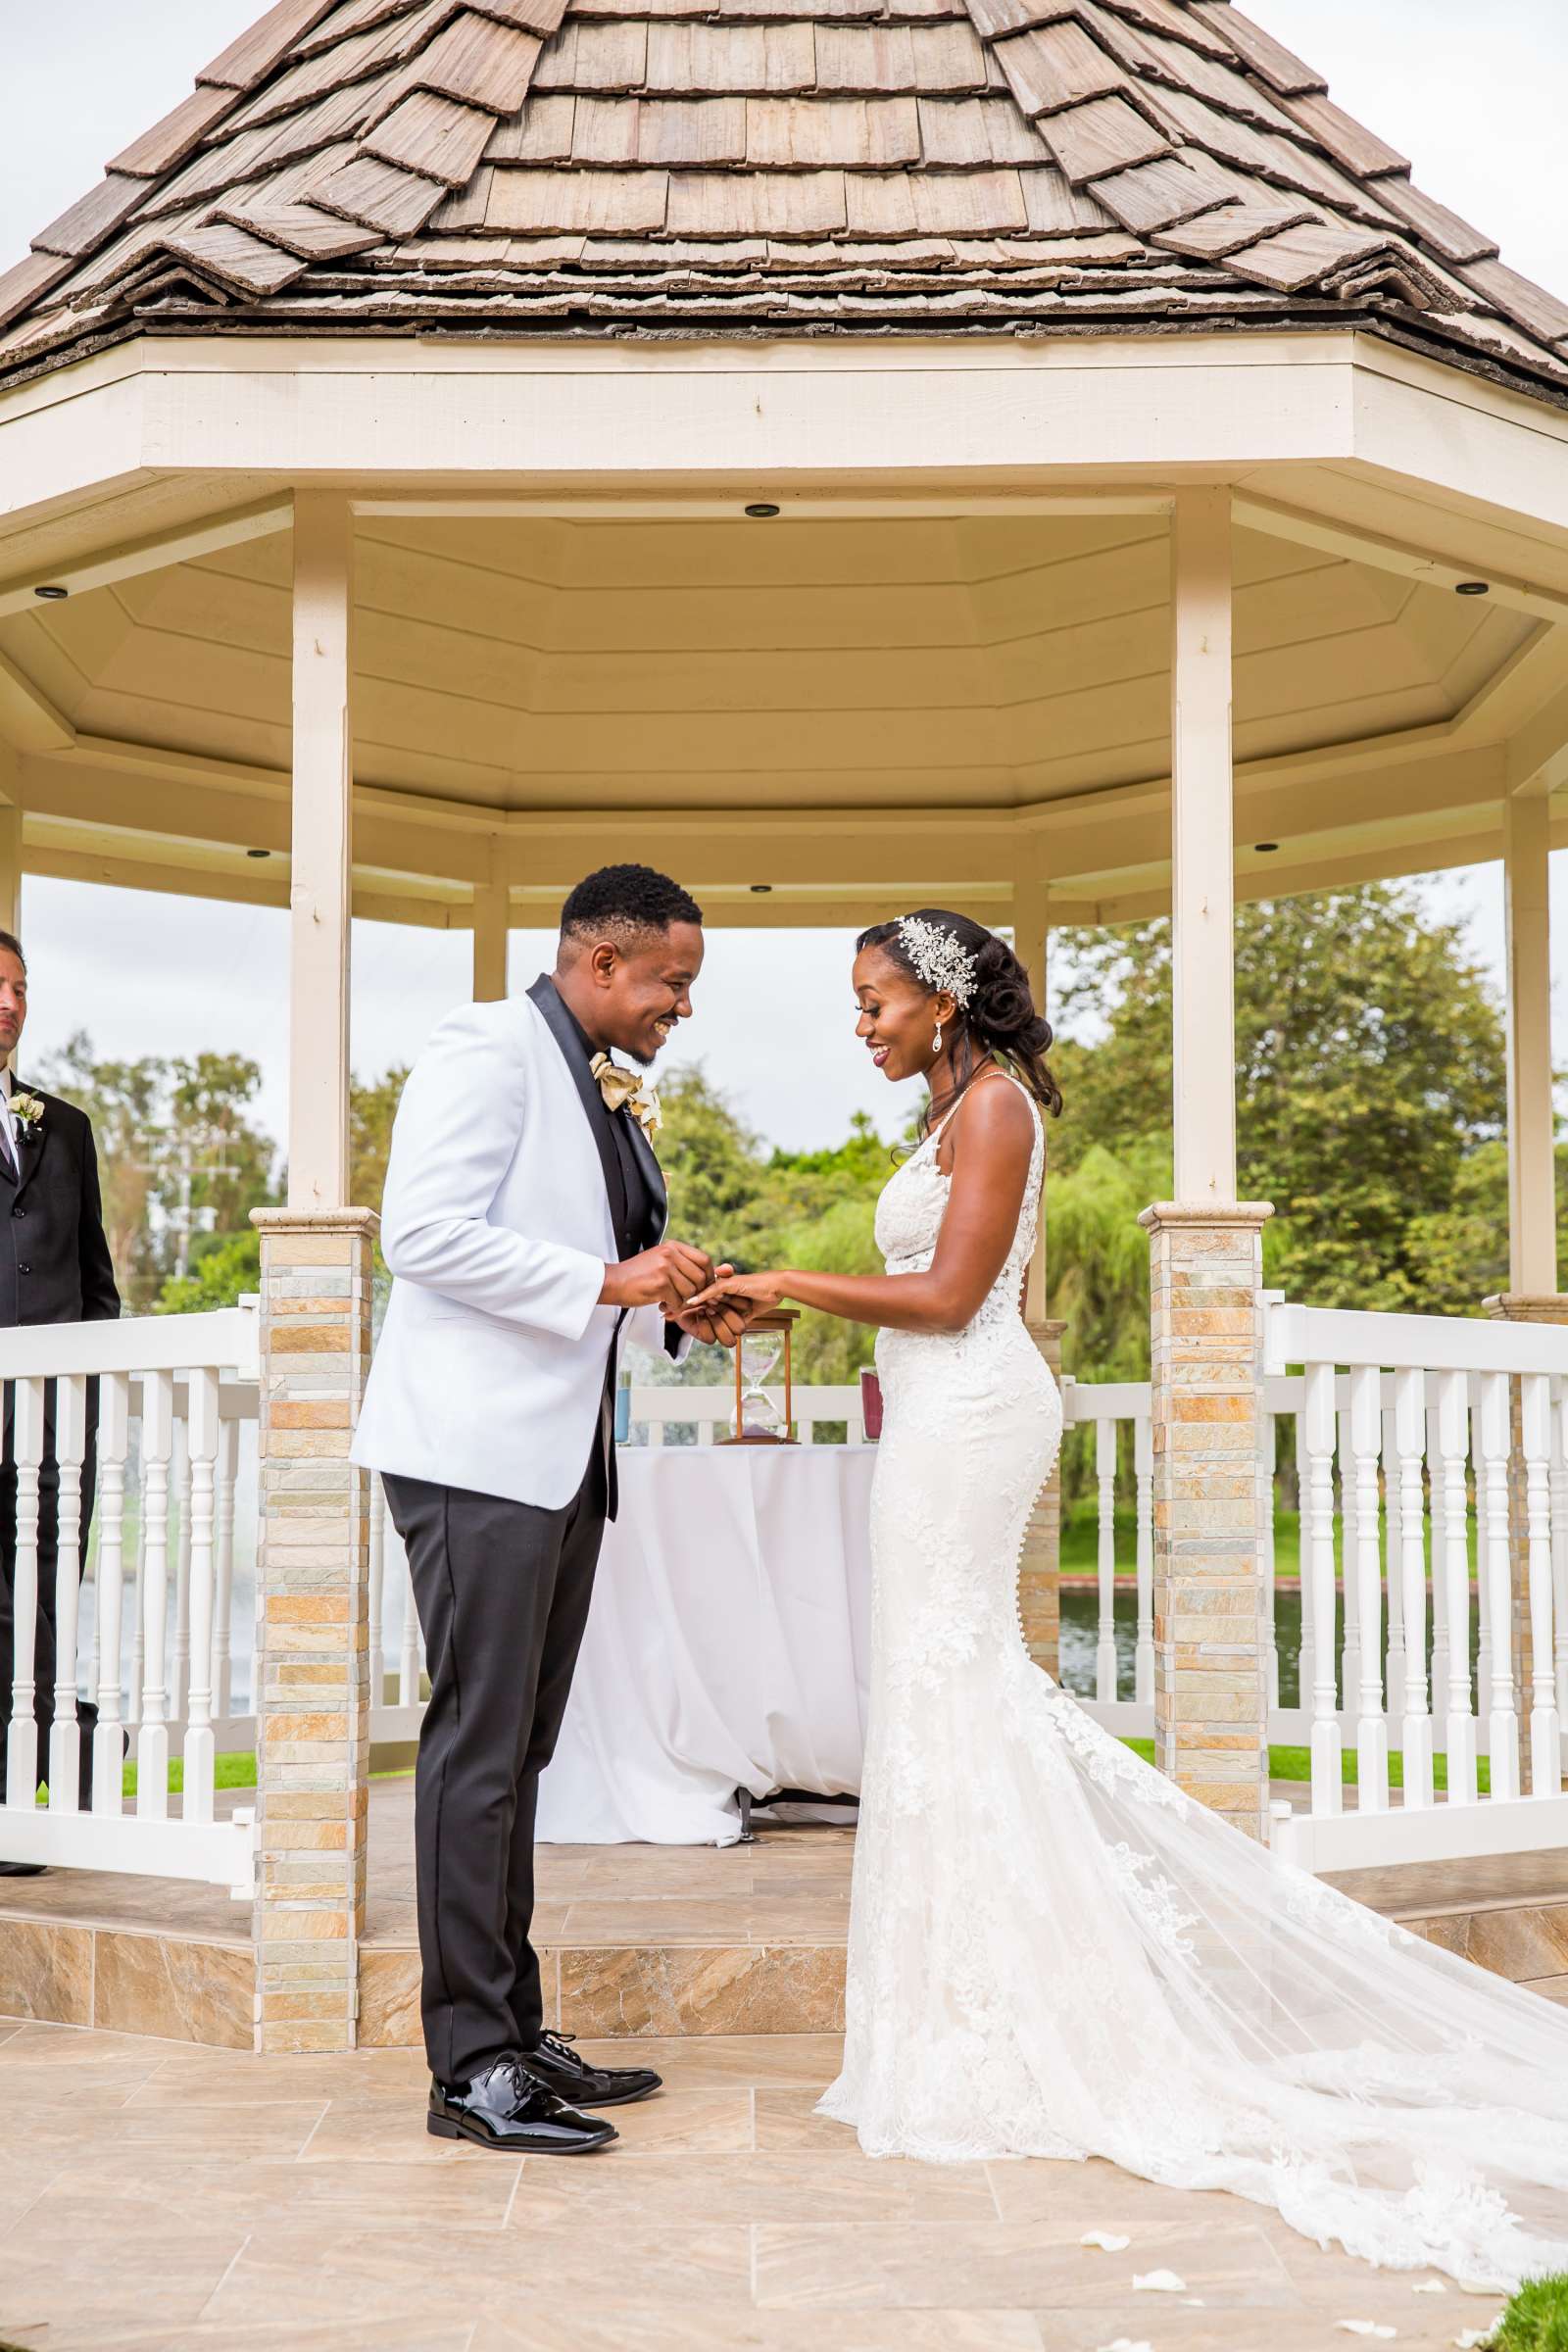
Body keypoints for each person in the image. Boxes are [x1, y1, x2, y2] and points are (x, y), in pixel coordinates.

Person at [687, 907, 1568, 2291]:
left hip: (972, 1419)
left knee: (960, 1689)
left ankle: (1019, 2031)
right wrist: (782, 1306)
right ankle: (964, 2022)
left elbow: (957, 1292)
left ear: (941, 998)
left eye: (874, 1001)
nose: (859, 1024)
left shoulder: (993, 1111)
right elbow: (913, 1293)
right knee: (936, 1703)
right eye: (855, 1005)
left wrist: (789, 1273)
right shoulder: (942, 1117)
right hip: (929, 1420)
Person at [353, 864, 748, 2157]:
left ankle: (514, 2032)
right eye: (670, 982)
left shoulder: (595, 1081)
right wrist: (603, 1277)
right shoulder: (490, 1046)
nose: (679, 1007)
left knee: (514, 1763)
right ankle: (469, 2069)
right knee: (474, 1761)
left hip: (558, 1461)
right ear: (600, 963)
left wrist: (668, 1293)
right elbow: (422, 1234)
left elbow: (602, 1263)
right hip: (476, 1458)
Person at [0, 928, 121, 1874]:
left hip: (53, 1422)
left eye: (20, 987)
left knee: (44, 1601)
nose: (9, 1002)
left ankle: (28, 1785)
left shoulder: (63, 1125)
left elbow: (96, 1275)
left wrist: (87, 1384)